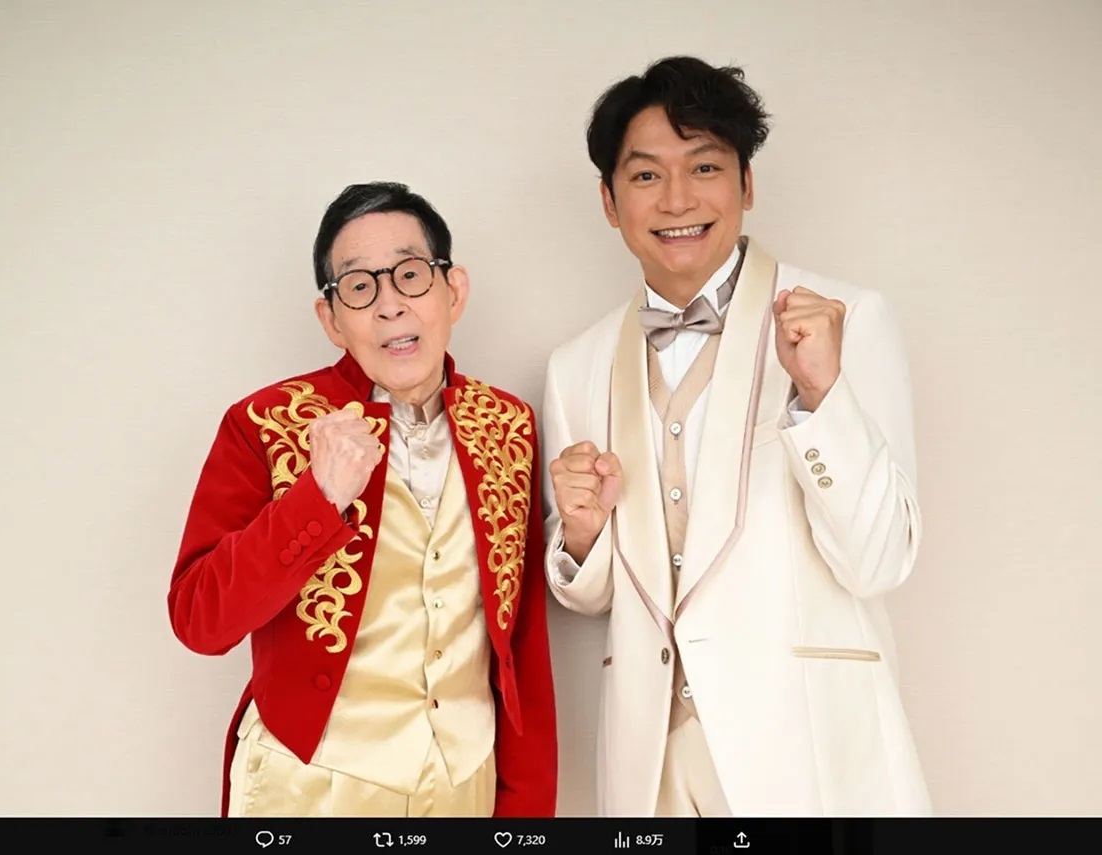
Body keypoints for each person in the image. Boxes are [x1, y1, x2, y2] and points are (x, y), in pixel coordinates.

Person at [540, 55, 931, 816]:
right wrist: (582, 536)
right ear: (609, 202)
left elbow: (880, 560)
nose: (677, 199)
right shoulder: (574, 365)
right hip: (649, 761)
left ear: (747, 184)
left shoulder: (848, 318)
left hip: (804, 749)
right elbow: (597, 594)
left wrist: (821, 396)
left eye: (705, 166)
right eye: (646, 175)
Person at [169, 181, 557, 818]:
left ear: (454, 291)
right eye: (358, 287)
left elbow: (522, 644)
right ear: (331, 319)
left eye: (411, 274)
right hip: (310, 787)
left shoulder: (507, 425)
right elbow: (199, 619)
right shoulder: (266, 422)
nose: (390, 306)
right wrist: (316, 499)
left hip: (466, 783)